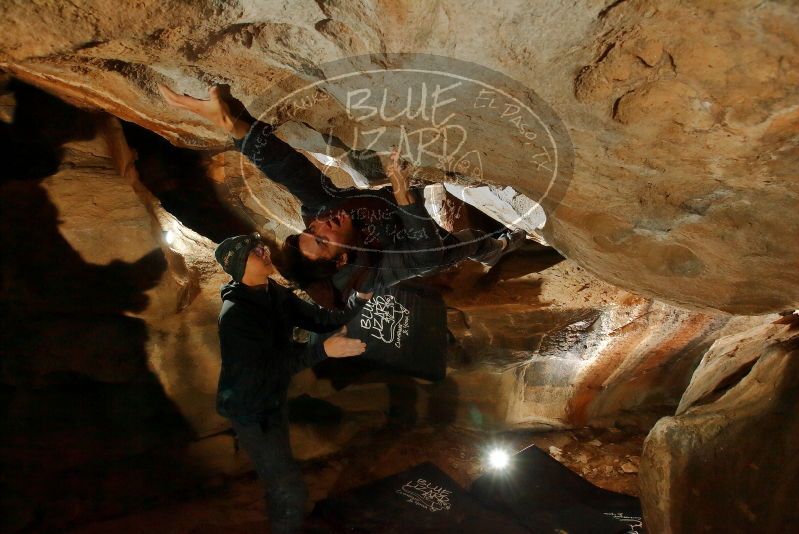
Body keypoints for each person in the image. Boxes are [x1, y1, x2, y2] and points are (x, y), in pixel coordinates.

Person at [160, 84, 526, 306]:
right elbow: (423, 247)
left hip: (389, 203)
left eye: (312, 228)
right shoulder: (375, 271)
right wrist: (400, 188)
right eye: (322, 239)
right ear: (340, 259)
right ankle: (495, 250)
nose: (321, 223)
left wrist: (232, 124)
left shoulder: (324, 211)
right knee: (465, 243)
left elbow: (288, 169)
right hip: (424, 245)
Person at [213, 231, 371, 533]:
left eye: (260, 246)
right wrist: (324, 350)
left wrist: (358, 301)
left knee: (281, 479)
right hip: (250, 410)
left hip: (272, 399)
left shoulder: (272, 292)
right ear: (239, 267)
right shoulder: (236, 317)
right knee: (289, 487)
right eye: (254, 251)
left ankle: (285, 518)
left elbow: (318, 320)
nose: (264, 251)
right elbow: (265, 369)